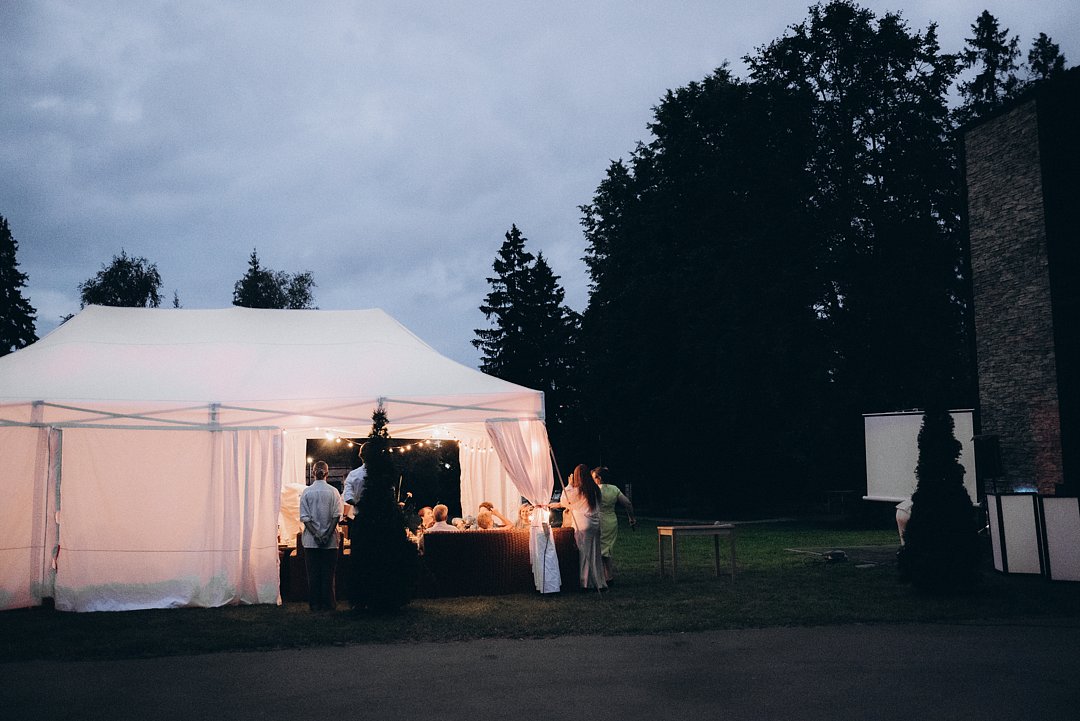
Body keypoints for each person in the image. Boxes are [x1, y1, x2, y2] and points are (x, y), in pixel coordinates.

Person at [299, 461, 344, 611]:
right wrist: (327, 534)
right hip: (330, 541)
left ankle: (315, 604)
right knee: (328, 574)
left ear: (313, 473)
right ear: (327, 473)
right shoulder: (334, 492)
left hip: (311, 541)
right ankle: (328, 603)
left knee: (313, 574)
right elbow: (336, 516)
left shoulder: (306, 492)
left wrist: (316, 534)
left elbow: (305, 518)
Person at [554, 464, 606, 591]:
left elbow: (564, 500)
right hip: (595, 523)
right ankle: (599, 582)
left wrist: (569, 485)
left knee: (584, 555)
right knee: (595, 554)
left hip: (582, 524)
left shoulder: (578, 490)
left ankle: (585, 582)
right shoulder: (595, 489)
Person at [592, 466, 636, 583]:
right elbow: (627, 503)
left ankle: (601, 577)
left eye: (594, 478)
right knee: (607, 549)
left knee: (599, 549)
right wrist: (631, 518)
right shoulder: (614, 489)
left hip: (598, 520)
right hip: (611, 520)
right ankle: (609, 576)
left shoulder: (595, 489)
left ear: (599, 478)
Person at [342, 443, 367, 514]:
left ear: (361, 456)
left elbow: (347, 497)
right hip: (380, 517)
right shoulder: (383, 474)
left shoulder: (353, 474)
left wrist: (359, 504)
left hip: (361, 515)